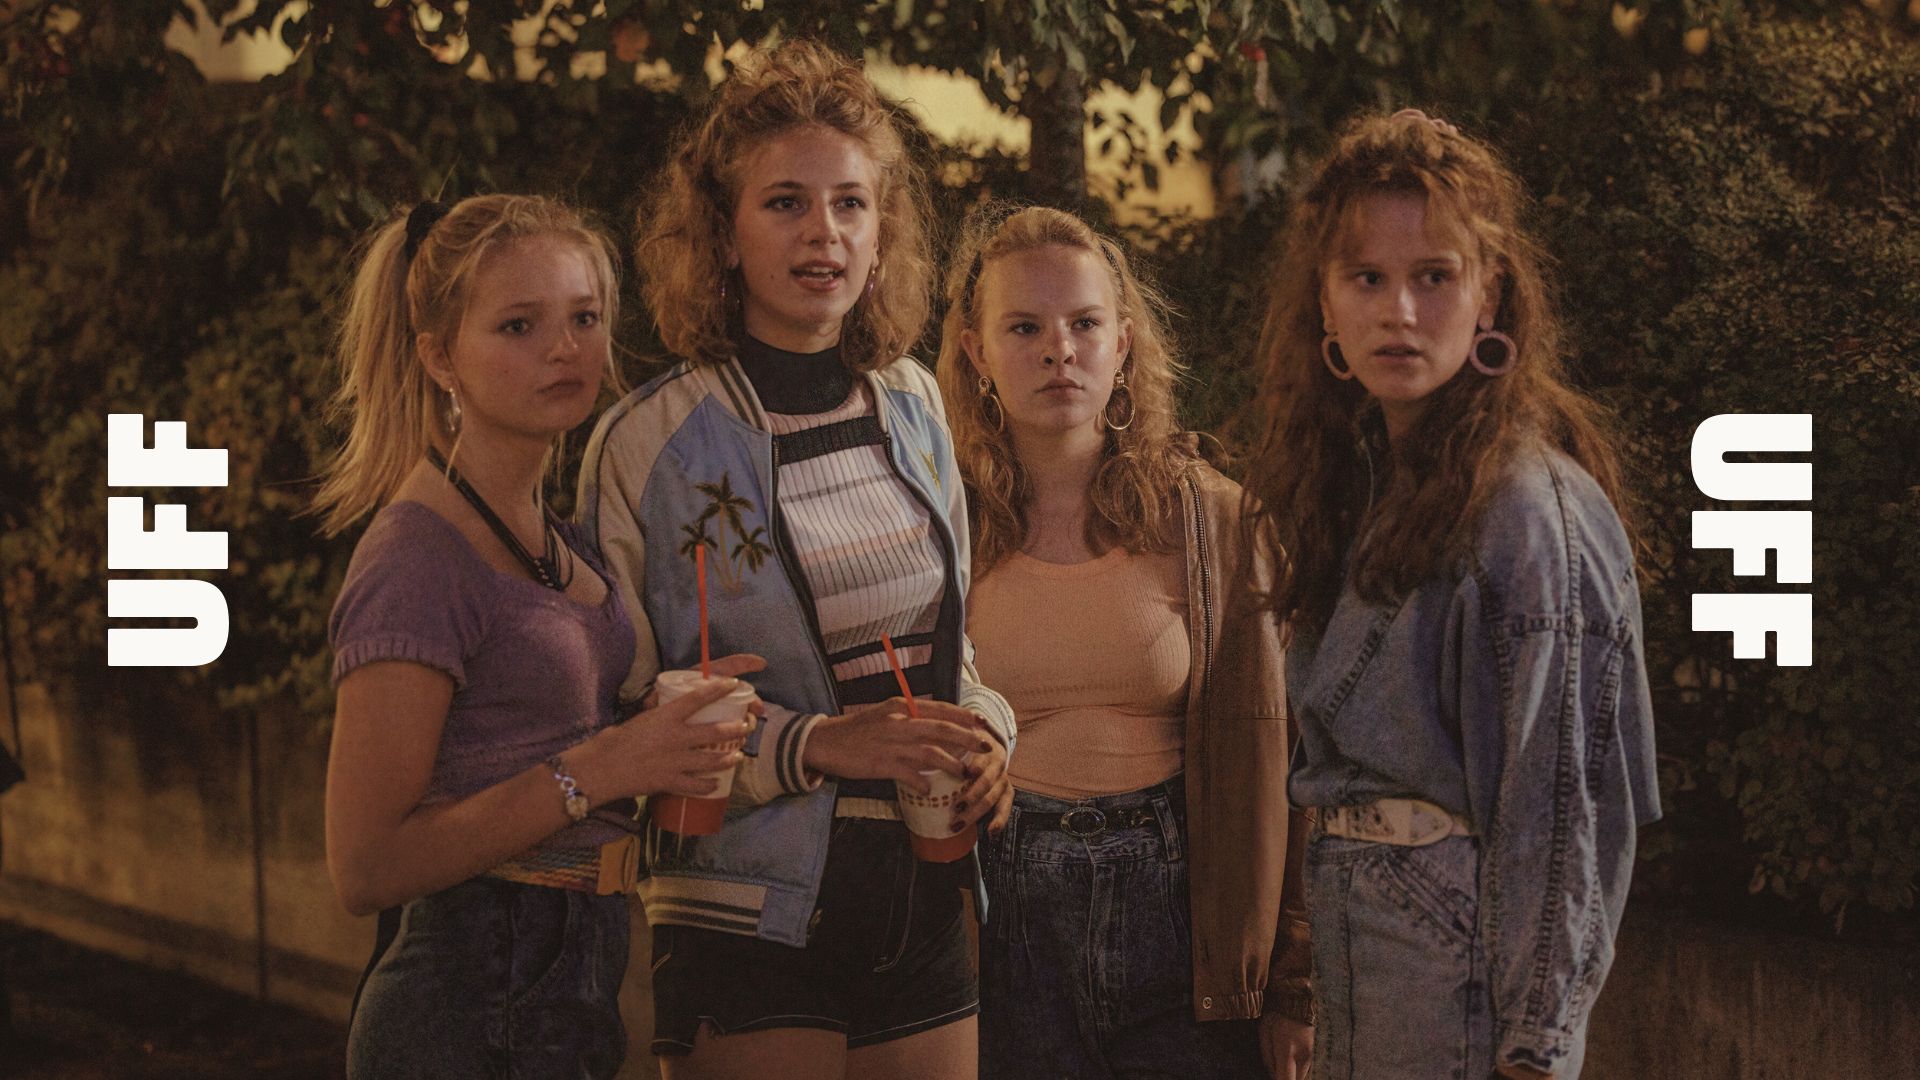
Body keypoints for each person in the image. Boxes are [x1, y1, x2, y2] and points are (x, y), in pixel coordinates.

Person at [575, 41, 1015, 1080]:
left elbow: (953, 648)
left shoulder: (914, 402)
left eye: (851, 204)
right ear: (721, 235)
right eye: (785, 203)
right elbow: (620, 714)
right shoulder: (649, 444)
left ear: (882, 230)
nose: (824, 232)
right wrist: (817, 744)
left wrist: (990, 730)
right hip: (746, 910)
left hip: (923, 895)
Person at [1241, 109, 1662, 1079]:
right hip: (1371, 968)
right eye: (1367, 278)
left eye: (1434, 276)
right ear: (1324, 303)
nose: (1399, 311)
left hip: (1462, 986)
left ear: (1489, 294)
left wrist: (1534, 1053)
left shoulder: (1525, 511)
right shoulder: (1364, 482)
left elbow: (1561, 815)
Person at [314, 193, 757, 1080]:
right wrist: (609, 764)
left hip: (573, 967)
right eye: (519, 326)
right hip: (471, 987)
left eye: (584, 318)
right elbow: (365, 866)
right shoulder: (417, 557)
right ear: (440, 357)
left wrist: (665, 730)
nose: (566, 348)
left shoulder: (551, 533)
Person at [937, 203, 1315, 1080]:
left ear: (1125, 344)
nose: (1058, 350)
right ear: (976, 353)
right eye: (1024, 327)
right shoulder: (938, 518)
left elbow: (1297, 760)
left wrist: (1295, 983)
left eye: (1084, 323)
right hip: (1002, 916)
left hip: (1184, 920)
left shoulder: (1214, 518)